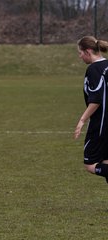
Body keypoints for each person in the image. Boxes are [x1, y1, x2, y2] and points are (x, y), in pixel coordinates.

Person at [75, 36, 108, 183]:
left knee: (90, 164)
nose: (80, 57)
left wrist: (82, 120)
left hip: (101, 124)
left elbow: (96, 99)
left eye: (80, 53)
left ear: (88, 51)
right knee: (106, 161)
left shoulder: (94, 69)